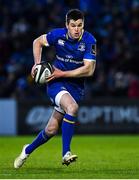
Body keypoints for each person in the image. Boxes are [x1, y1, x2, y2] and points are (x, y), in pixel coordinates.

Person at [14, 9, 96, 168]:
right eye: (73, 26)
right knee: (72, 107)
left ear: (83, 24)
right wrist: (37, 63)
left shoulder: (89, 40)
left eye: (80, 25)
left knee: (51, 129)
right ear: (67, 25)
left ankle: (27, 150)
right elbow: (37, 42)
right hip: (55, 81)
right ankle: (66, 153)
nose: (76, 29)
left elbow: (89, 69)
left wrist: (63, 73)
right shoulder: (57, 35)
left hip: (75, 86)